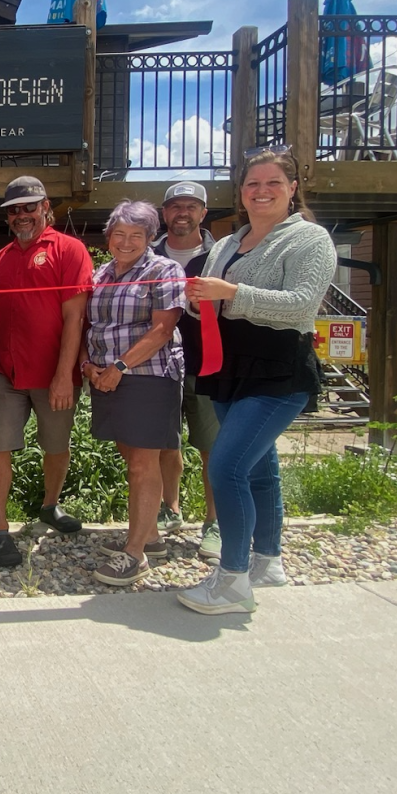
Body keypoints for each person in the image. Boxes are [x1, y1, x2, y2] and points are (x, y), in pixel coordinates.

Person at [178, 147, 337, 614]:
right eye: (252, 184)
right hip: (230, 369)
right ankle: (267, 562)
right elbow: (208, 301)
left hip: (279, 370)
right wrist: (197, 299)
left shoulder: (310, 240)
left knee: (226, 468)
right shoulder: (227, 243)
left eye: (272, 183)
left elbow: (302, 305)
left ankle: (232, 581)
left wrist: (232, 293)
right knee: (260, 468)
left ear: (291, 189)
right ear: (241, 192)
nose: (261, 191)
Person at [0, 176, 93, 568]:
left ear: (46, 206)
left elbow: (75, 317)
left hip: (53, 374)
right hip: (5, 373)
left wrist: (65, 375)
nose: (21, 215)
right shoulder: (1, 257)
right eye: (13, 210)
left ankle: (50, 505)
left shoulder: (71, 250)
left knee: (56, 445)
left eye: (29, 207)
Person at [81, 199, 186, 587]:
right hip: (106, 376)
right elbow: (90, 325)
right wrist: (89, 367)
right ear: (109, 237)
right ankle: (151, 537)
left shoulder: (163, 269)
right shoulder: (102, 273)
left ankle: (135, 553)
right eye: (119, 234)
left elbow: (163, 329)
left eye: (136, 235)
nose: (126, 242)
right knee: (133, 457)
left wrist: (120, 367)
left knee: (143, 462)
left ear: (150, 238)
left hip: (148, 376)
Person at [151, 181, 221, 561]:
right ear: (164, 214)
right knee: (164, 443)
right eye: (175, 206)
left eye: (191, 206)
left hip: (207, 365)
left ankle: (214, 523)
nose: (183, 213)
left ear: (203, 213)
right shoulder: (148, 256)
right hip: (158, 367)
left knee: (213, 447)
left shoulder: (221, 256)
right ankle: (170, 508)